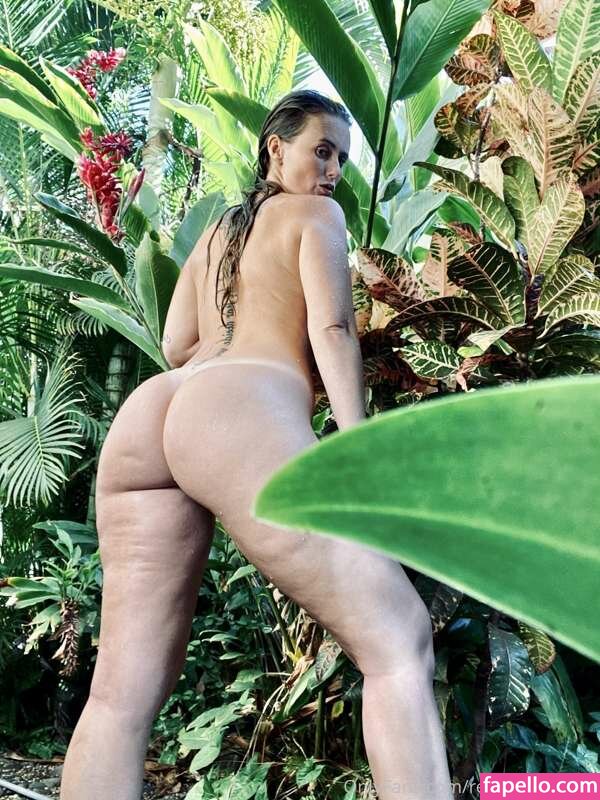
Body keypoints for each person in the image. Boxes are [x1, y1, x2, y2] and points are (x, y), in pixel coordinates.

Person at [59, 89, 453, 800]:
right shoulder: (316, 217)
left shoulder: (217, 232)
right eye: (321, 151)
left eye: (341, 159)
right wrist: (357, 448)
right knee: (399, 640)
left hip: (158, 409)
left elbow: (176, 342)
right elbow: (332, 329)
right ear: (276, 147)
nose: (332, 171)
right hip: (237, 410)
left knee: (120, 692)